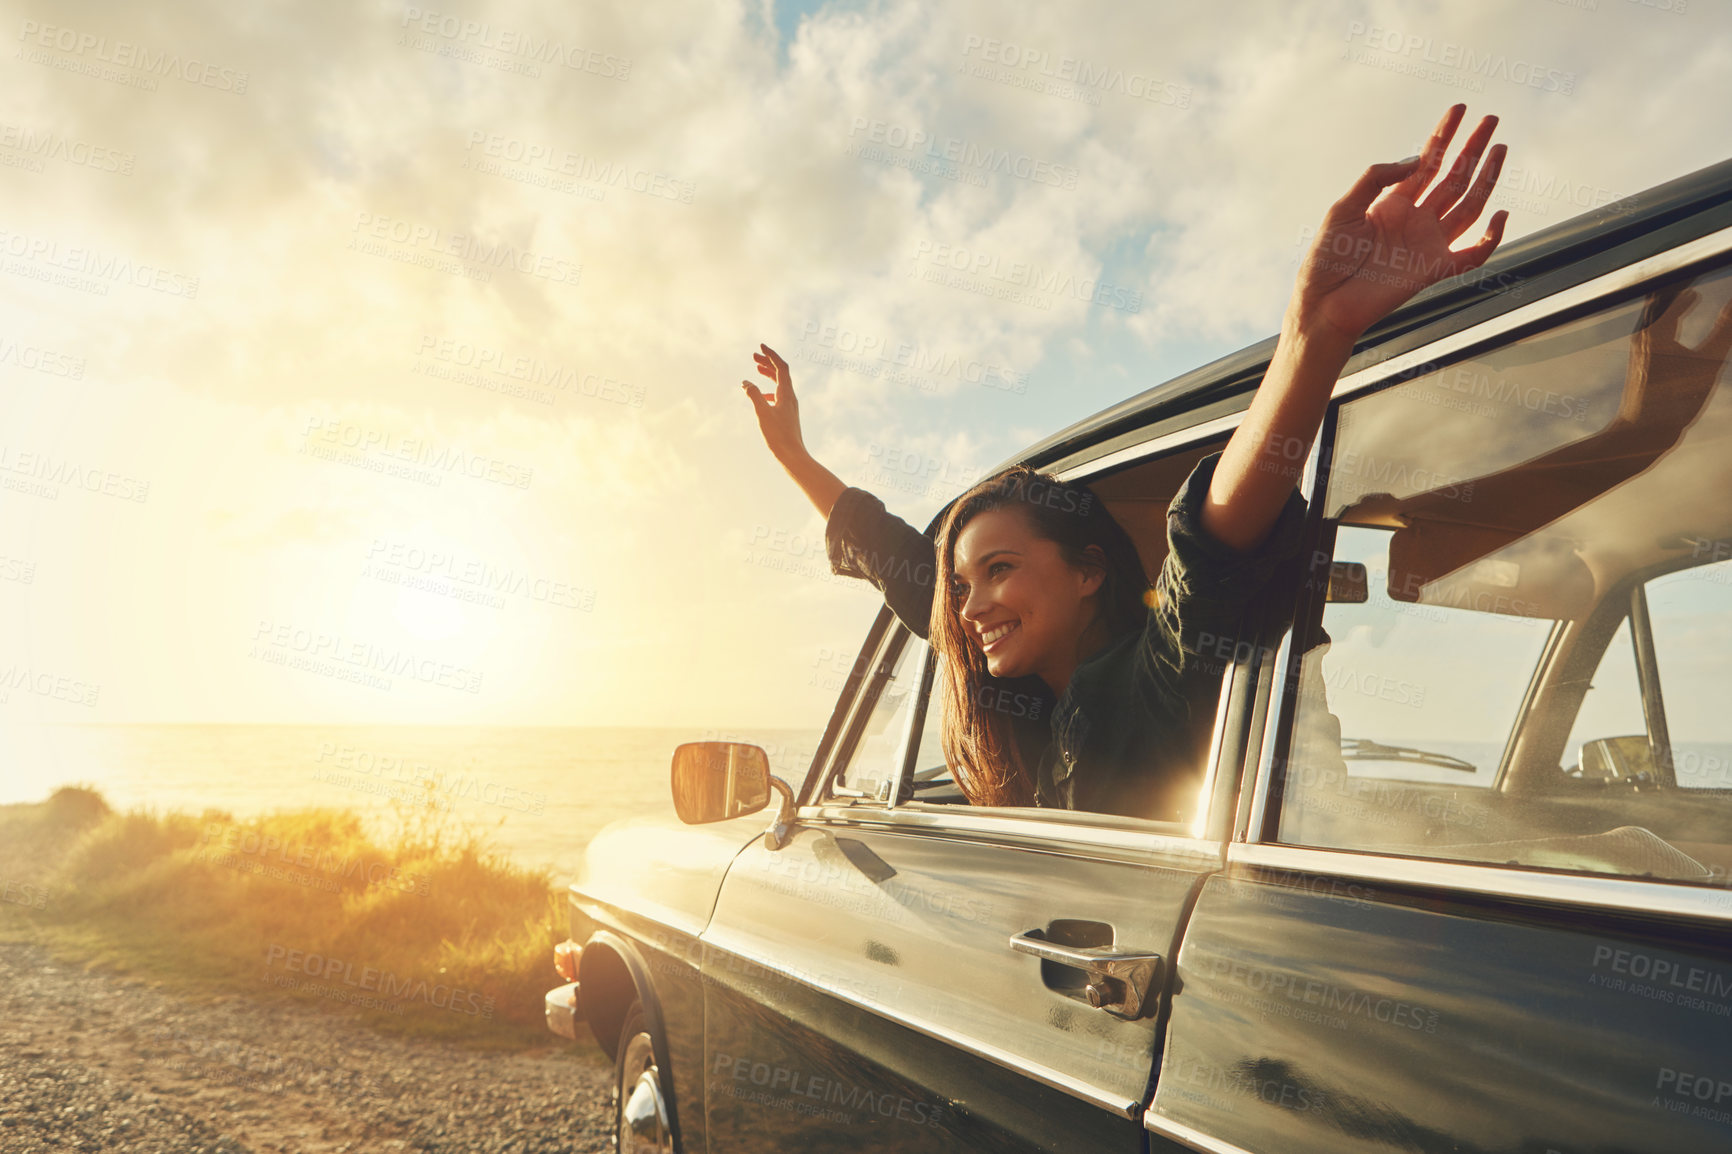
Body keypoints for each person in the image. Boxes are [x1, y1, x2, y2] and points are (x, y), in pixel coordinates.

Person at [742, 104, 1510, 823]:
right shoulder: (1022, 695)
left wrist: (1314, 336)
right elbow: (899, 564)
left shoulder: (1155, 681)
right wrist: (793, 457)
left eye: (1000, 569)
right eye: (965, 585)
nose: (972, 607)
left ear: (1088, 571)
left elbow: (1208, 555)